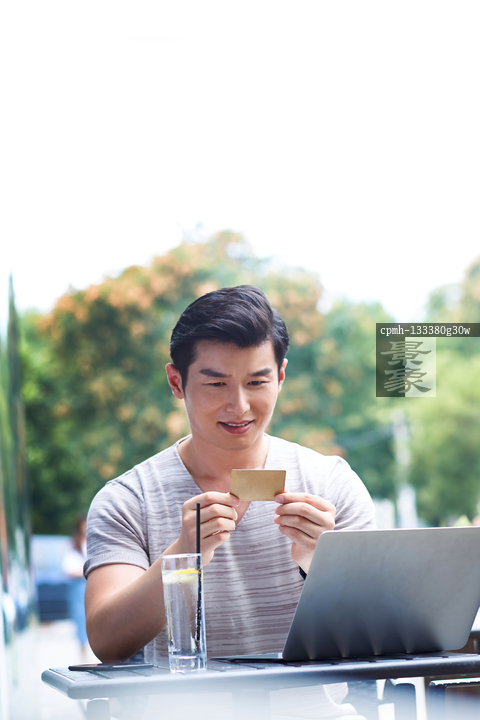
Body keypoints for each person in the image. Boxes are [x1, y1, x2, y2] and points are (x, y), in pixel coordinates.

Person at [85, 286, 375, 712]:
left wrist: (320, 564)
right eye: (216, 383)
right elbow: (108, 642)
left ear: (280, 377)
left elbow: (376, 636)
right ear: (176, 382)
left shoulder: (331, 482)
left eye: (256, 382)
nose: (239, 406)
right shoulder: (128, 500)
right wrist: (185, 554)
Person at [62, 516, 89, 660]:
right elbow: (68, 569)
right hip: (79, 587)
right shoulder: (74, 546)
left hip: (89, 584)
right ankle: (83, 653)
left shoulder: (92, 542)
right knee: (81, 619)